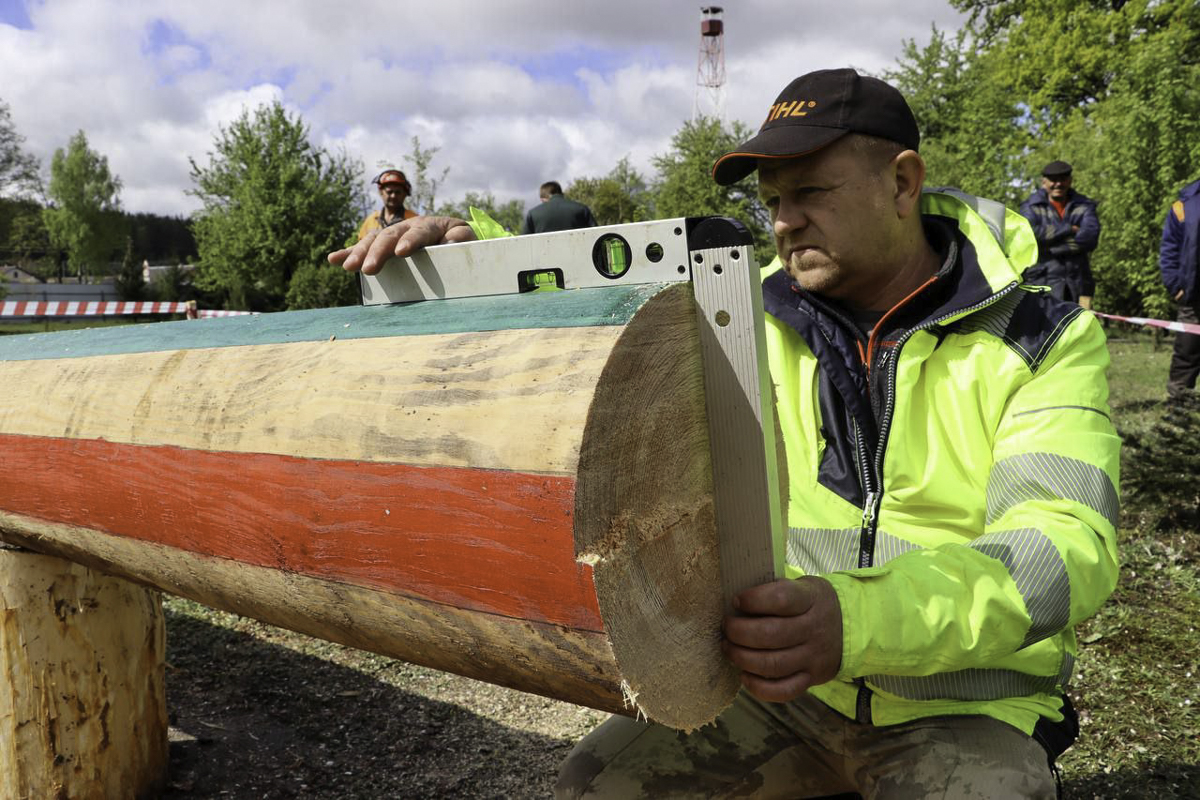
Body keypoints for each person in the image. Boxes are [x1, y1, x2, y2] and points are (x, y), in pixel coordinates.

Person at [330, 68, 1120, 799]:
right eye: (771, 200)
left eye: (809, 191)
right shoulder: (740, 314)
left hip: (968, 709)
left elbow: (1064, 551)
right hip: (783, 698)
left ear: (903, 182)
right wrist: (475, 261)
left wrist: (855, 622)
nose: (782, 221)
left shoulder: (1043, 339)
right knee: (591, 786)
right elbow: (601, 293)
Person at [1018, 161, 1101, 309]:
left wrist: (1050, 247)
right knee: (1042, 330)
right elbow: (1029, 236)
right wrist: (1068, 229)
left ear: (1070, 180)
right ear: (1044, 182)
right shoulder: (1030, 206)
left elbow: (1089, 239)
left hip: (1078, 284)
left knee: (1078, 330)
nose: (1058, 184)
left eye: (1062, 179)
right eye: (1053, 180)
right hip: (1041, 282)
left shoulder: (1085, 205)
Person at [1160, 177, 1200, 404]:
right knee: (1187, 350)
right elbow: (1170, 248)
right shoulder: (1184, 204)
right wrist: (1176, 285)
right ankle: (1179, 402)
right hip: (1193, 292)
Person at [356, 169, 419, 242]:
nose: (393, 196)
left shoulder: (413, 219)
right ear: (381, 192)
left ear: (404, 194)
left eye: (398, 192)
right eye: (389, 192)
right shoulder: (370, 221)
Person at [521, 181, 598, 234]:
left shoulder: (533, 213)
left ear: (543, 199)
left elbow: (524, 242)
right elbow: (597, 235)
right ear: (562, 194)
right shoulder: (582, 209)